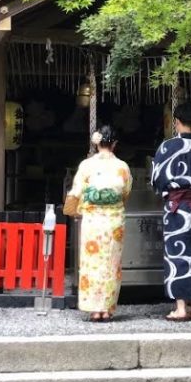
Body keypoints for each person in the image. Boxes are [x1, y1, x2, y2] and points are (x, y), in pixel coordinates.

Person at [151, 102, 191, 322]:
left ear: (176, 121)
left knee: (177, 256)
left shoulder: (167, 147)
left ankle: (180, 308)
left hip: (176, 210)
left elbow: (157, 180)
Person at [66, 126, 132, 322]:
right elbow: (125, 193)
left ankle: (95, 309)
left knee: (92, 264)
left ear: (97, 144)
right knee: (112, 264)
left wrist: (74, 209)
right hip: (114, 222)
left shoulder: (87, 165)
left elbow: (77, 191)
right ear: (115, 144)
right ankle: (107, 309)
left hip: (93, 221)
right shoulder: (123, 167)